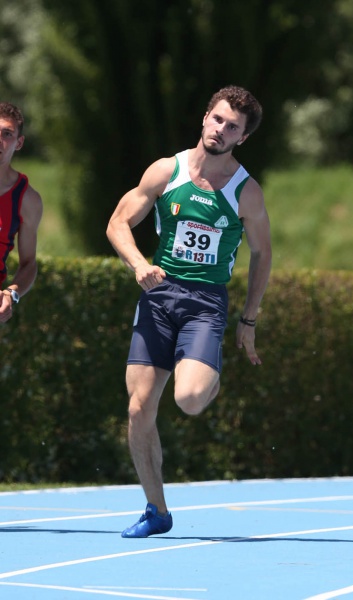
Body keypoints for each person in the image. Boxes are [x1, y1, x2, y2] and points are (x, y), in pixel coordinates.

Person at [106, 85, 272, 538]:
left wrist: (249, 318)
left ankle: (209, 374)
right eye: (217, 119)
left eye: (232, 127)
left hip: (205, 302)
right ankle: (156, 510)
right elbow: (118, 222)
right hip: (158, 296)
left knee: (190, 399)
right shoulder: (167, 170)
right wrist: (139, 264)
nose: (221, 130)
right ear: (205, 118)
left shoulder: (245, 192)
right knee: (139, 408)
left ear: (242, 138)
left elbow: (262, 253)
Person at [0, 102, 43, 323]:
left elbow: (29, 263)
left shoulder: (27, 199)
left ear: (19, 143)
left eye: (6, 134)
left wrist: (10, 294)